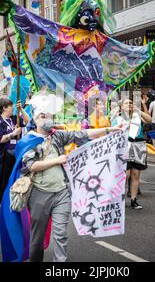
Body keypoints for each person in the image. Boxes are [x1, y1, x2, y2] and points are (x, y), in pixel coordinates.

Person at [22, 107, 125, 262]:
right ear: (35, 119)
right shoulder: (29, 140)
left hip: (62, 192)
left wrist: (110, 129)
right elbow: (31, 166)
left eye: (49, 115)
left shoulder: (58, 136)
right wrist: (58, 160)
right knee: (37, 238)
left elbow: (84, 134)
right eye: (42, 116)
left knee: (61, 234)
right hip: (39, 193)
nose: (46, 119)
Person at [112, 97, 152, 210]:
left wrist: (138, 110)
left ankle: (134, 200)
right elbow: (113, 132)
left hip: (138, 144)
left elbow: (149, 120)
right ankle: (119, 199)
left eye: (131, 102)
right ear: (122, 106)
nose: (129, 104)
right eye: (126, 103)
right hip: (124, 144)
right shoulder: (118, 118)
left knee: (136, 174)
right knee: (126, 174)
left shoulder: (137, 115)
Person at [0, 98, 30, 203]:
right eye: (11, 106)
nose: (13, 108)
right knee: (1, 181)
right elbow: (0, 139)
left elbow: (28, 122)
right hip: (1, 156)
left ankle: (8, 201)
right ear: (4, 108)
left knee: (12, 179)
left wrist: (22, 109)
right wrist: (14, 133)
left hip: (13, 154)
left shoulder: (14, 118)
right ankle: (0, 201)